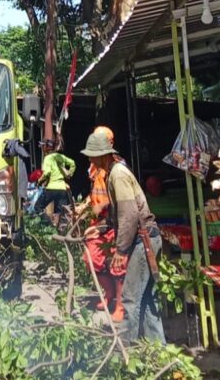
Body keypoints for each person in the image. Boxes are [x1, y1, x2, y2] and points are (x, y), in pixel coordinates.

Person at [82, 132, 165, 343]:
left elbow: (128, 215)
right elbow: (116, 214)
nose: (90, 159)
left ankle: (127, 350)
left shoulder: (118, 175)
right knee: (147, 300)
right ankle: (157, 349)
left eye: (92, 155)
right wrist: (100, 228)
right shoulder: (112, 173)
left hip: (142, 240)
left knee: (130, 299)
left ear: (102, 155)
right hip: (146, 237)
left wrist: (120, 250)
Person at [83, 126, 125, 322]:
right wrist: (85, 205)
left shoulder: (118, 168)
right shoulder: (94, 168)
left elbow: (121, 198)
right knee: (91, 258)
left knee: (117, 264)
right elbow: (94, 191)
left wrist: (104, 205)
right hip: (98, 222)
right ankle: (109, 293)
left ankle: (120, 305)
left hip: (114, 222)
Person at [33, 139, 76, 225]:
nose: (42, 148)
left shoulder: (48, 158)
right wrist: (69, 173)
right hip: (62, 189)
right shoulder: (61, 157)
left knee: (38, 207)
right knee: (61, 212)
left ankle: (49, 224)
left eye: (43, 146)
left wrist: (39, 181)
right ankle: (62, 230)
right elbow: (73, 163)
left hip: (51, 189)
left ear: (47, 147)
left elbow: (47, 172)